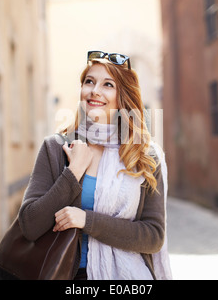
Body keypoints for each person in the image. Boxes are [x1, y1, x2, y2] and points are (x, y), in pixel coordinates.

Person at [18, 51, 172, 280]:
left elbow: (153, 236)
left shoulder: (145, 156)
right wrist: (73, 172)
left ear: (123, 97)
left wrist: (86, 220)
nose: (95, 90)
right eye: (89, 81)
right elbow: (30, 225)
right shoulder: (56, 148)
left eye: (108, 84)